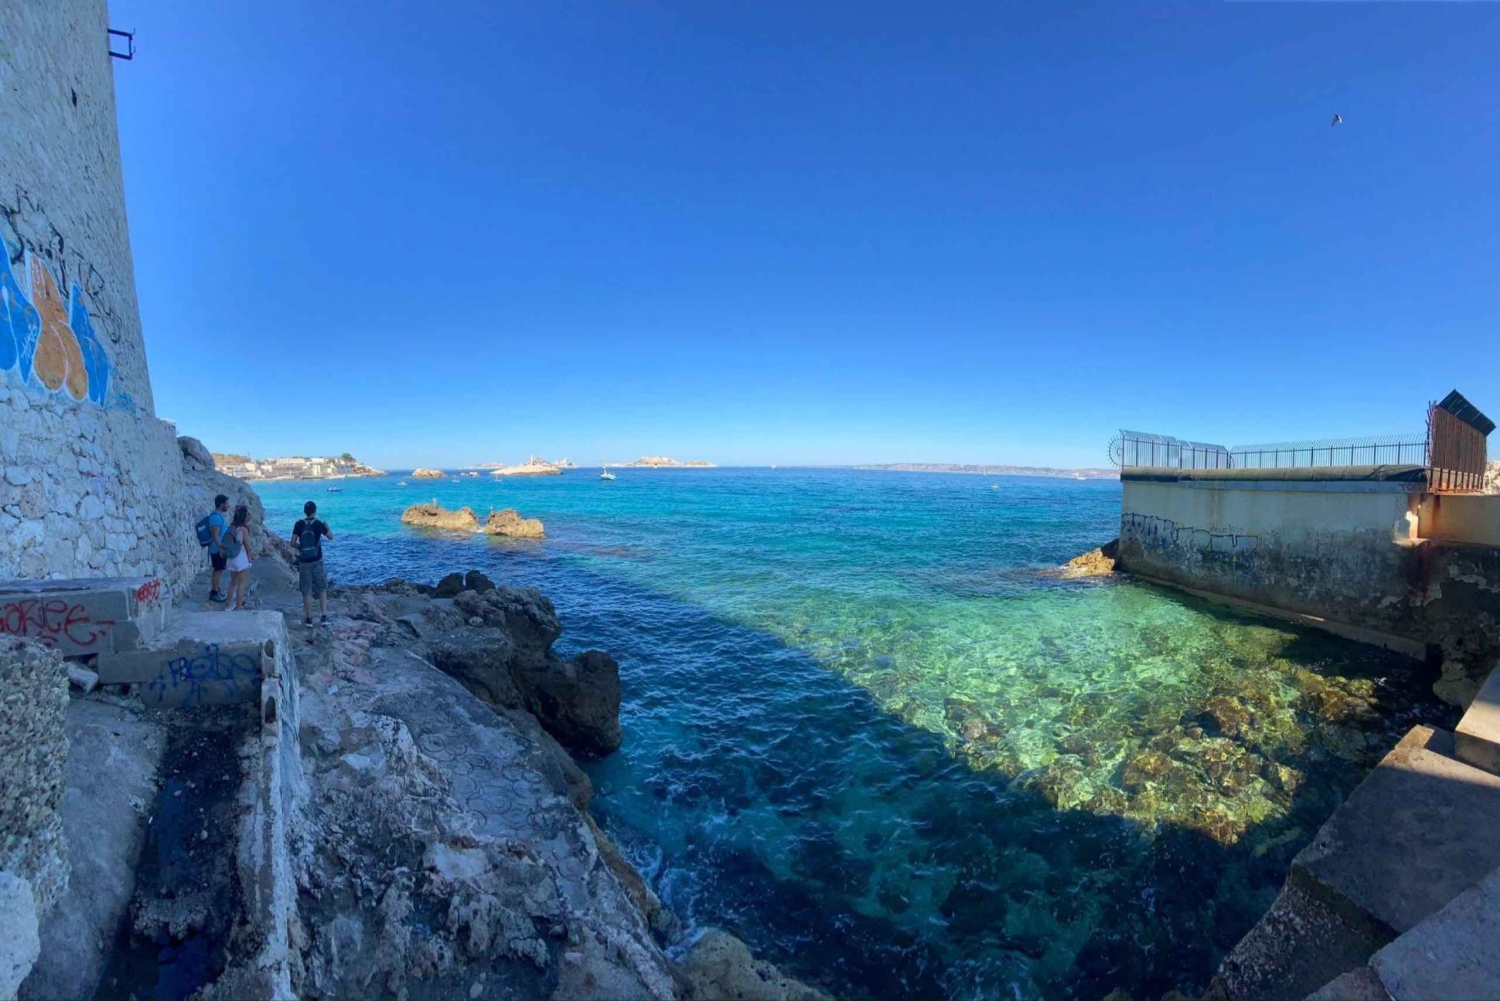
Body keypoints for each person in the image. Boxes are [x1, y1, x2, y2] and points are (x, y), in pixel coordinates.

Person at [291, 500, 334, 627]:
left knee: (306, 590)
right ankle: (324, 617)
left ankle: (309, 619)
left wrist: (302, 548)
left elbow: (292, 543)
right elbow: (331, 537)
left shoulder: (298, 524)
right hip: (317, 561)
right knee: (321, 588)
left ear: (304, 511)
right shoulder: (319, 524)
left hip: (304, 562)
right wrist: (327, 527)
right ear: (315, 511)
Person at [222, 504, 254, 610]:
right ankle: (239, 606)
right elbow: (248, 546)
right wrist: (250, 559)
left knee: (232, 582)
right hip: (241, 558)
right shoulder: (243, 529)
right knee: (241, 584)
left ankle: (228, 603)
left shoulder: (231, 526)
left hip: (231, 558)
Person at [207, 494, 230, 603]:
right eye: (227, 503)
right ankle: (214, 593)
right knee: (218, 570)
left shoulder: (218, 516)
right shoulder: (216, 517)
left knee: (219, 570)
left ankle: (216, 589)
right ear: (221, 504)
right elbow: (215, 534)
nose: (228, 506)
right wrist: (220, 547)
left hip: (218, 548)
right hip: (217, 549)